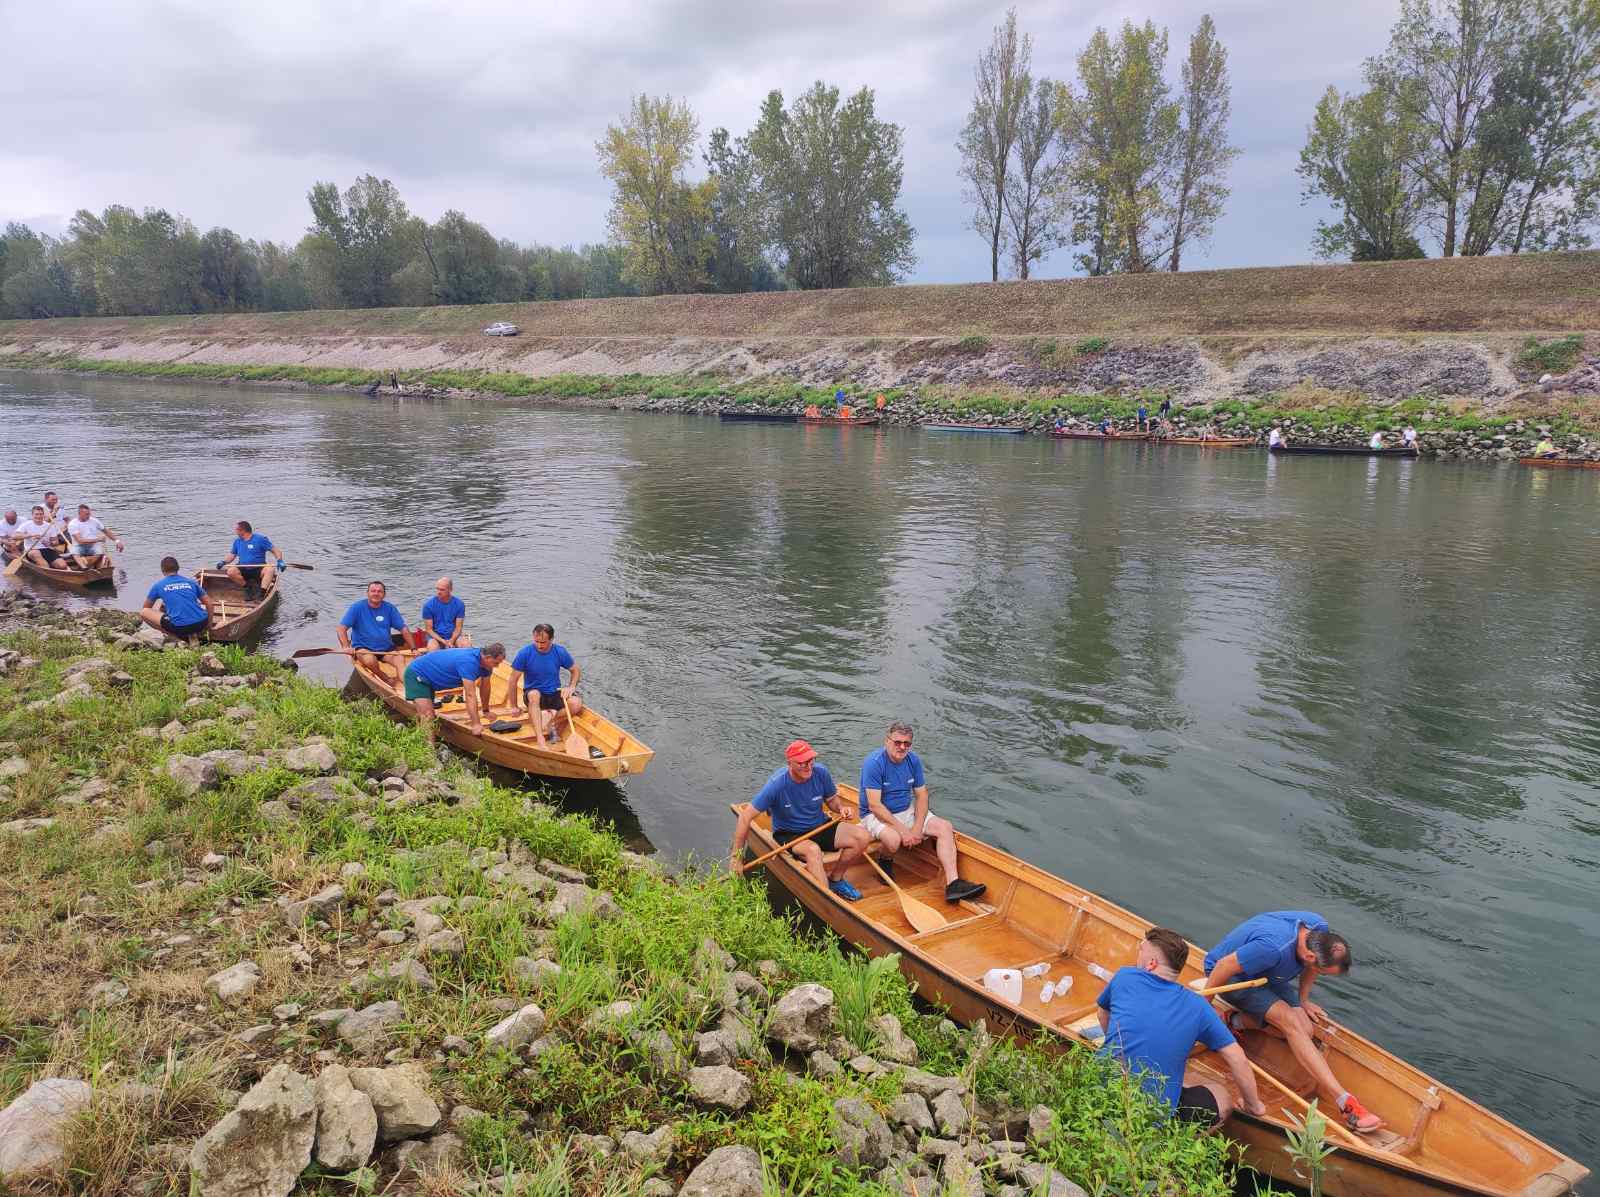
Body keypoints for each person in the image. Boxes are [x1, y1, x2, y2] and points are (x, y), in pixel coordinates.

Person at [1203, 911, 1383, 1132]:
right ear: (1309, 957)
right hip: (1233, 977)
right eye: (1322, 972)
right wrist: (1204, 1008)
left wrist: (1303, 1000)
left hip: (1269, 974)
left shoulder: (1319, 928)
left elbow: (1311, 968)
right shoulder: (1272, 948)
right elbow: (1223, 966)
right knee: (1290, 1022)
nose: (1319, 974)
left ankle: (1235, 1021)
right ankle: (1345, 1101)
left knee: (1304, 1030)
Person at [1097, 927, 1267, 1131]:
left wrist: (1119, 1045)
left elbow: (1102, 1014)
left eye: (1140, 950)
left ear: (1151, 964)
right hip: (1151, 1115)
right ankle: (1172, 1142)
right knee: (1222, 1096)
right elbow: (1236, 1057)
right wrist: (1253, 1105)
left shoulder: (1125, 977)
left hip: (1098, 1094)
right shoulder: (1198, 1006)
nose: (1138, 955)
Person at [859, 722, 986, 903]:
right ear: (887, 741)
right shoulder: (874, 763)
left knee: (944, 827)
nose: (902, 747)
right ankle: (885, 859)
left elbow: (922, 795)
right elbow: (874, 805)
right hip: (875, 815)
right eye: (897, 742)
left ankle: (953, 884)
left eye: (907, 743)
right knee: (894, 841)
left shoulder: (913, 761)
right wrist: (903, 831)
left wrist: (917, 829)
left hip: (905, 810)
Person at [729, 739, 870, 901]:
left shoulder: (821, 773)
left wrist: (841, 808)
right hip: (789, 833)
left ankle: (835, 880)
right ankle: (828, 899)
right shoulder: (776, 785)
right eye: (802, 763)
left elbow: (832, 800)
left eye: (811, 760)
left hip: (819, 825)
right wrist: (736, 857)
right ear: (790, 763)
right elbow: (745, 817)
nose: (808, 766)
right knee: (813, 851)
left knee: (862, 837)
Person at [401, 642, 505, 740]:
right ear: (487, 657)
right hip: (417, 675)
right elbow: (469, 695)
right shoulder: (469, 662)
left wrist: (486, 711)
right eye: (496, 663)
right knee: (428, 715)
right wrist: (476, 724)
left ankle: (422, 739)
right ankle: (429, 753)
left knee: (426, 714)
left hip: (432, 678)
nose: (497, 666)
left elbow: (485, 687)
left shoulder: (487, 665)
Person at [508, 623, 583, 743]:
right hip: (533, 695)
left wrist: (571, 687)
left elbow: (575, 670)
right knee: (534, 694)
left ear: (552, 639)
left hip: (553, 693)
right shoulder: (524, 653)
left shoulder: (560, 652)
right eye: (536, 641)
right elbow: (512, 681)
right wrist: (514, 706)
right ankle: (540, 736)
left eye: (543, 642)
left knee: (576, 703)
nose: (539, 645)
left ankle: (549, 720)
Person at [338, 581, 407, 682]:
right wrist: (345, 647)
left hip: (386, 648)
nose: (376, 593)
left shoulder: (390, 608)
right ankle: (383, 677)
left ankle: (409, 687)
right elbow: (341, 629)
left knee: (400, 660)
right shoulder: (357, 608)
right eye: (373, 591)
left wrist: (414, 648)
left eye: (379, 591)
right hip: (363, 648)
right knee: (370, 660)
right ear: (367, 593)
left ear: (384, 594)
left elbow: (403, 629)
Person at [141, 556, 213, 642]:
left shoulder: (158, 585)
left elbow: (146, 607)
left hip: (179, 627)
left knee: (144, 612)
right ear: (178, 568)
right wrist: (209, 626)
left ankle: (175, 637)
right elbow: (210, 604)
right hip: (201, 623)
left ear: (162, 570)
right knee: (199, 608)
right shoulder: (191, 582)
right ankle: (194, 633)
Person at [217, 520, 283, 598]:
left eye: (236, 530)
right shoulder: (237, 541)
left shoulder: (260, 539)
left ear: (242, 530)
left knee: (270, 570)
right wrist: (223, 562)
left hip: (259, 568)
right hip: (243, 568)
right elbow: (232, 555)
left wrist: (280, 560)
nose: (235, 532)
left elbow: (276, 550)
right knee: (231, 571)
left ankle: (262, 593)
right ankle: (248, 588)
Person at [66, 503, 121, 570]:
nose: (89, 516)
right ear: (80, 514)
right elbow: (80, 541)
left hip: (93, 545)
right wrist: (98, 539)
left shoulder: (94, 521)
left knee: (100, 552)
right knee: (74, 552)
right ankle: (84, 567)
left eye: (89, 513)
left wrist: (117, 541)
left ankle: (87, 563)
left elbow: (106, 531)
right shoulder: (73, 524)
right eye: (86, 514)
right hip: (79, 545)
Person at [421, 576, 468, 650]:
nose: (438, 592)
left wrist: (452, 640)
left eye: (442, 590)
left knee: (466, 645)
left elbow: (458, 628)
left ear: (450, 590)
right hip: (435, 637)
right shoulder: (428, 605)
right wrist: (442, 641)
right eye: (437, 589)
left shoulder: (459, 604)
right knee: (433, 648)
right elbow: (429, 629)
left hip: (453, 636)